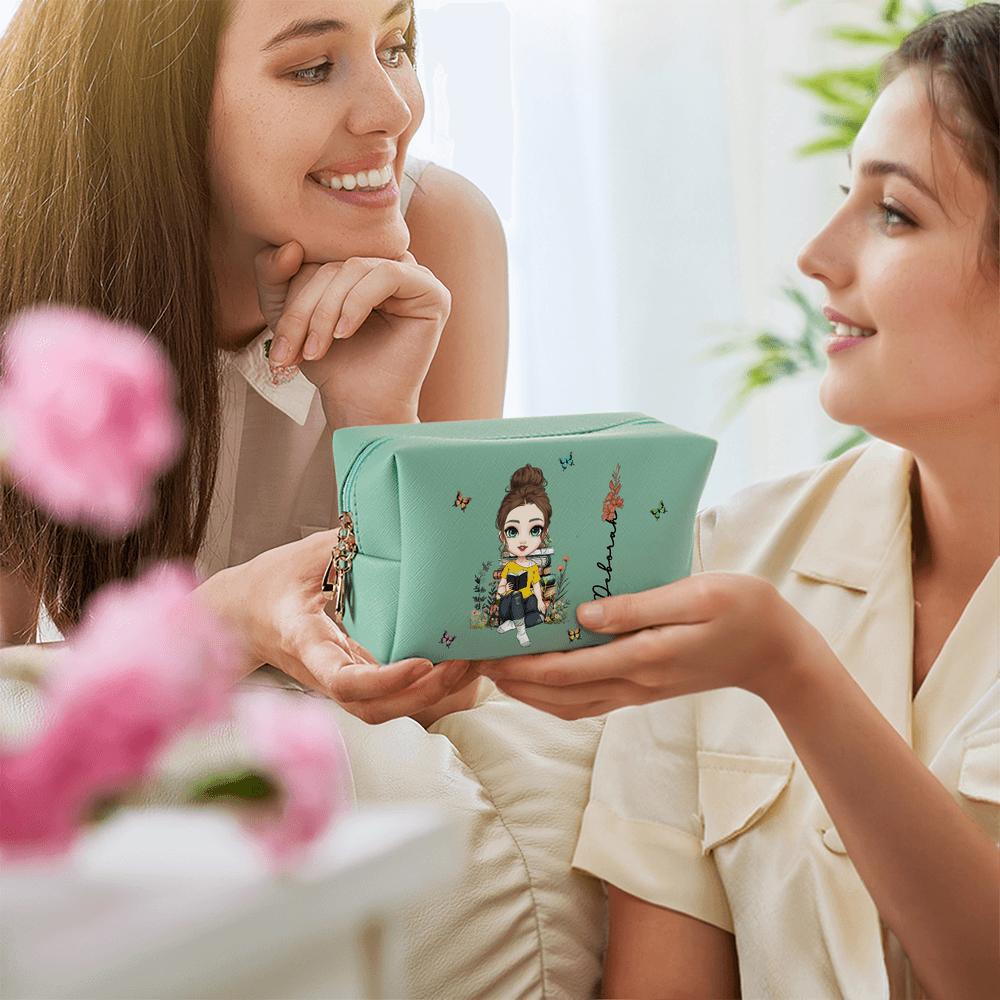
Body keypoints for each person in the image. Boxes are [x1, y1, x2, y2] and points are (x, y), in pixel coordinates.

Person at [479, 5, 999, 998]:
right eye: (844, 195)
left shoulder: (745, 629)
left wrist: (792, 675)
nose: (817, 255)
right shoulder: (727, 560)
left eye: (894, 213)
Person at [0, 0, 507, 724]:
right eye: (313, 68)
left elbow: (443, 692)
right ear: (149, 99)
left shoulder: (436, 235)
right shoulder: (23, 280)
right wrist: (224, 625)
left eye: (394, 46)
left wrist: (376, 419)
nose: (394, 112)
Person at [494, 464, 551, 647]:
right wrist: (503, 590)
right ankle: (521, 632)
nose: (523, 540)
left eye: (535, 530)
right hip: (509, 604)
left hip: (526, 604)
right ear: (502, 536)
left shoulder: (533, 567)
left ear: (544, 534)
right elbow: (501, 587)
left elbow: (536, 585)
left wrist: (540, 601)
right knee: (517, 595)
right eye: (512, 531)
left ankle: (514, 624)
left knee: (538, 616)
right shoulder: (509, 567)